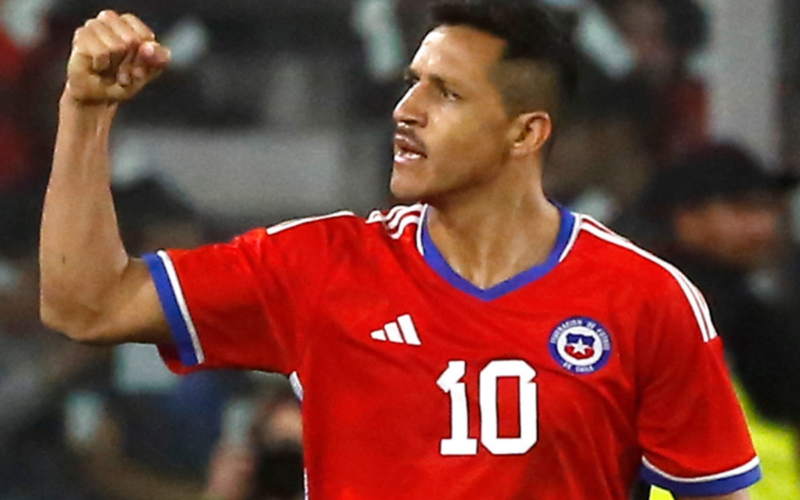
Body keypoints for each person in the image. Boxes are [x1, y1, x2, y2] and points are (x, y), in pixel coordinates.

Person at [40, 1, 760, 499]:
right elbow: (87, 304)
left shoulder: (646, 300)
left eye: (444, 93)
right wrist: (85, 113)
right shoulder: (320, 267)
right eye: (412, 82)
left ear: (525, 133)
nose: (405, 110)